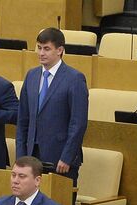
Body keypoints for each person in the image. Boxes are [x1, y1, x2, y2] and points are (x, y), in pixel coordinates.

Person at [16, 28, 88, 181]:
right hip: (31, 156)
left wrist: (67, 157)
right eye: (39, 48)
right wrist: (21, 157)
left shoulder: (75, 78)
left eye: (46, 49)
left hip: (60, 158)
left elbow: (78, 123)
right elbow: (23, 119)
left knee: (60, 203)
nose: (41, 53)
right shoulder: (32, 75)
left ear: (60, 50)